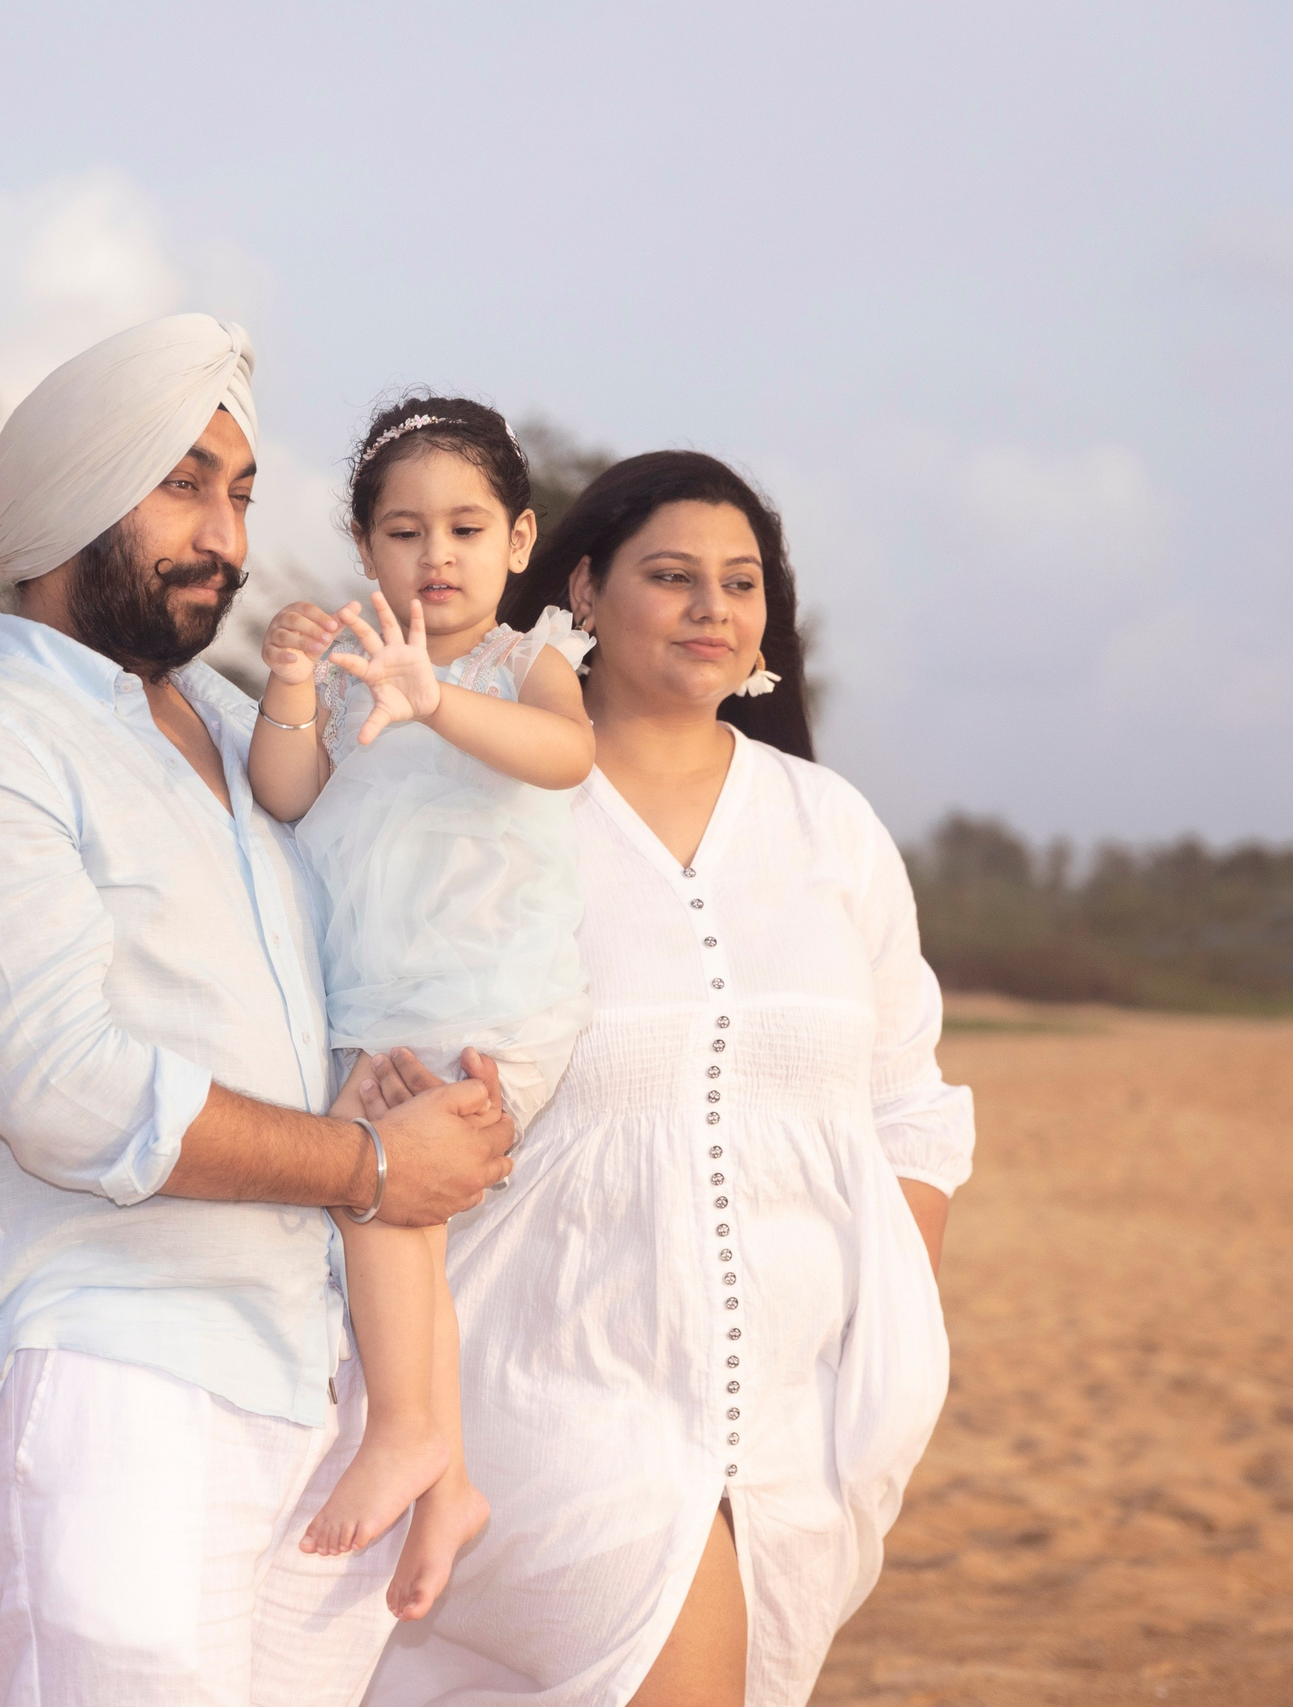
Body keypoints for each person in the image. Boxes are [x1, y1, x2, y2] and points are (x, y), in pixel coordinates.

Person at [0, 315, 519, 1707]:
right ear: (72, 498)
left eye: (244, 492)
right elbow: (70, 1088)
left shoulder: (234, 724)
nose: (226, 533)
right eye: (184, 484)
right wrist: (378, 1169)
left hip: (316, 1375)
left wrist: (399, 1095)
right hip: (119, 1367)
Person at [363, 451, 976, 1707]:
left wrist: (870, 1310)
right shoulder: (488, 807)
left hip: (802, 1407)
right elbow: (389, 1059)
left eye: (740, 583)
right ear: (580, 589)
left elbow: (908, 1103)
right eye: (672, 576)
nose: (712, 608)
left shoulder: (829, 827)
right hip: (548, 1371)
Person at [247, 397, 594, 1623]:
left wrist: (435, 696)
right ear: (364, 550)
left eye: (463, 528)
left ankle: (401, 1431)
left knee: (386, 1196)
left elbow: (564, 758)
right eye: (402, 532)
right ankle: (444, 1476)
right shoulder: (351, 667)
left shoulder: (521, 662)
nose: (433, 556)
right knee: (412, 1227)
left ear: (517, 540)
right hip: (380, 1000)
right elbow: (284, 792)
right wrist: (293, 681)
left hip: (493, 1002)